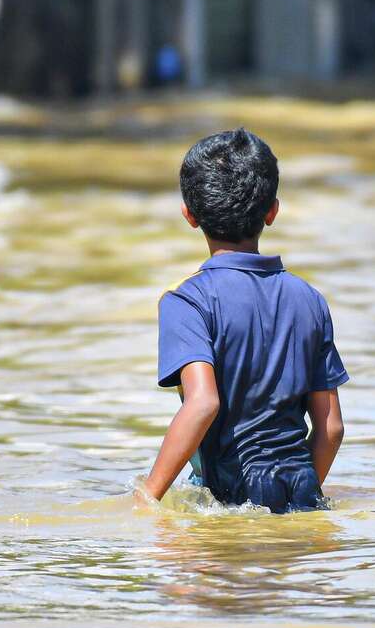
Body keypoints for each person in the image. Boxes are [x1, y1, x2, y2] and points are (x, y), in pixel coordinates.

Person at [137, 129, 347, 513]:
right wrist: (300, 497)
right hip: (302, 490)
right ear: (272, 211)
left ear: (189, 215)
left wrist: (145, 498)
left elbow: (202, 404)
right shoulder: (309, 299)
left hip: (230, 496)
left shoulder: (187, 300)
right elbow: (331, 429)